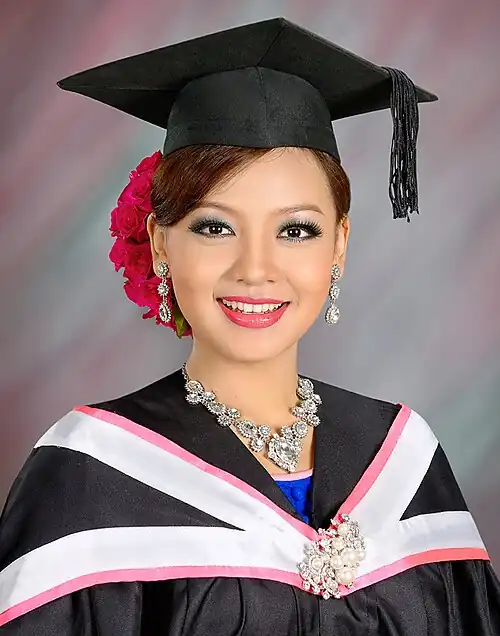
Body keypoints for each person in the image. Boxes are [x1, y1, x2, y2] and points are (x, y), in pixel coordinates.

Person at [0, 17, 498, 636]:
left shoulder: (406, 458)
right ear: (161, 243)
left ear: (339, 245)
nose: (256, 269)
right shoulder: (88, 475)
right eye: (215, 227)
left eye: (297, 230)